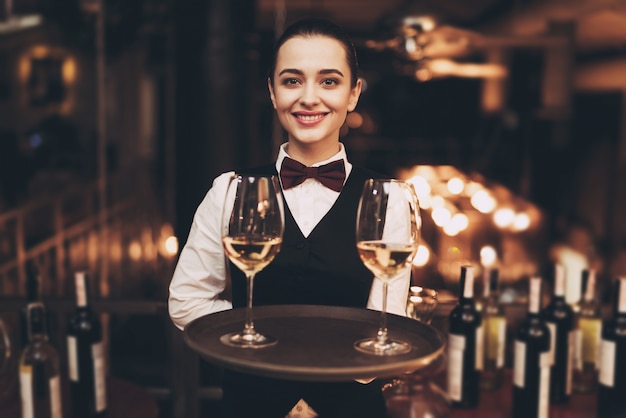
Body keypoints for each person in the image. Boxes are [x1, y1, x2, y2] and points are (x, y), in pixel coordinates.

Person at [168, 17, 411, 418]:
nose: (309, 97)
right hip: (250, 404)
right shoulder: (229, 191)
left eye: (329, 81)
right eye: (293, 80)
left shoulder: (390, 199)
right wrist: (256, 346)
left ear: (353, 94)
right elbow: (186, 301)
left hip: (349, 406)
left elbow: (388, 323)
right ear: (272, 91)